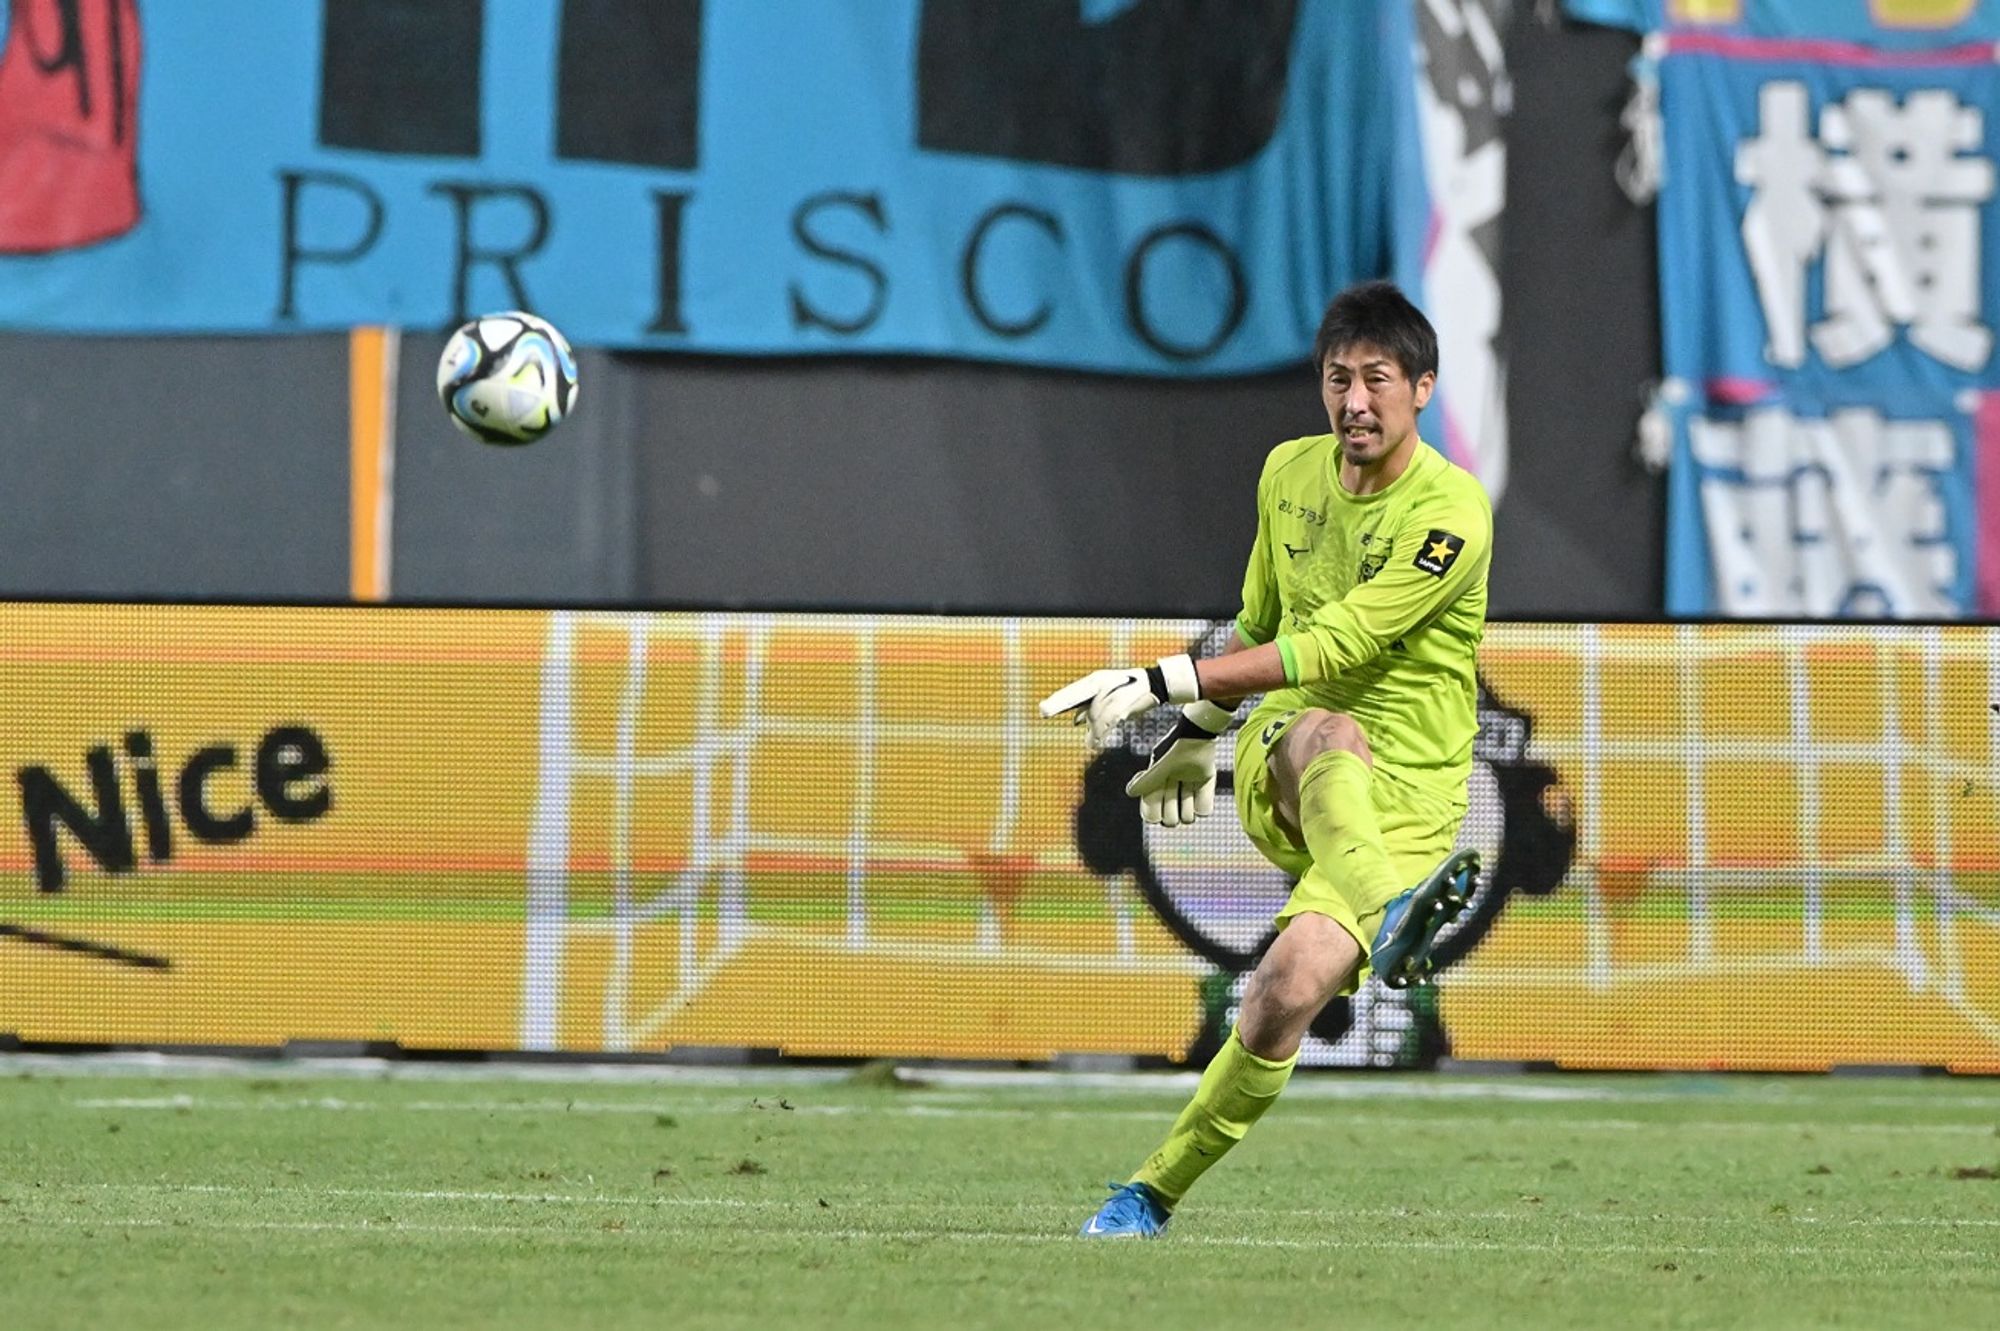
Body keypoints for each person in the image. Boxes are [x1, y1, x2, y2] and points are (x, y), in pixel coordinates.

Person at [1039, 280, 1491, 1239]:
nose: (1355, 401)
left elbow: (1343, 644)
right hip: (1293, 753)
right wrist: (1197, 733)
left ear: (1423, 388)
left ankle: (1147, 1193)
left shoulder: (1451, 512)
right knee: (1328, 727)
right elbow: (1264, 627)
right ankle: (1397, 907)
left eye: (1377, 380)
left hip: (1410, 805)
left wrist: (1163, 680)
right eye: (1339, 379)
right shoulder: (1289, 473)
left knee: (1281, 996)